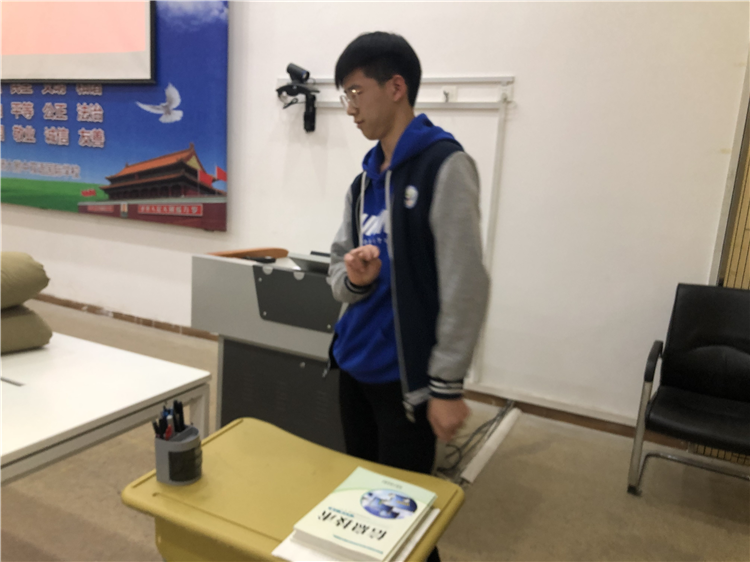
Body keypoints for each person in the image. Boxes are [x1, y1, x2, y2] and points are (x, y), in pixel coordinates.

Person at [327, 31, 489, 553]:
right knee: (364, 511)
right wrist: (356, 279)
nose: (350, 108)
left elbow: (466, 283)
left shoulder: (444, 166)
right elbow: (336, 269)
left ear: (395, 87)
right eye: (345, 95)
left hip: (406, 384)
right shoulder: (363, 183)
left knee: (405, 524)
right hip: (354, 367)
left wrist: (446, 386)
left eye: (356, 92)